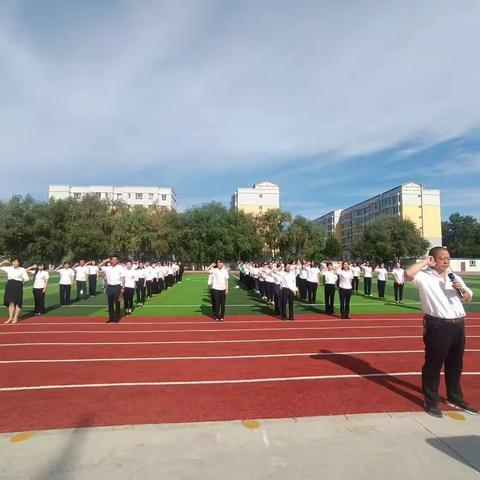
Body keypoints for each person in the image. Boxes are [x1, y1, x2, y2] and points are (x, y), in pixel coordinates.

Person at [405, 246, 477, 418]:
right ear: (433, 260)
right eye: (442, 257)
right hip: (437, 325)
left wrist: (462, 292)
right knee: (433, 364)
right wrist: (424, 262)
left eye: (448, 258)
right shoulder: (424, 277)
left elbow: (468, 298)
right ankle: (431, 401)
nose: (446, 260)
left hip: (458, 324)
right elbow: (407, 275)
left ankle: (455, 397)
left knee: (455, 364)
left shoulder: (455, 277)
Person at [0, 259, 29, 324]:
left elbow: (26, 279)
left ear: (19, 263)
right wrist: (3, 262)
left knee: (18, 302)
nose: (14, 263)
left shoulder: (22, 269)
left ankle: (15, 318)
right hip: (9, 285)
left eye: (16, 261)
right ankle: (10, 318)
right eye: (13, 261)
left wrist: (21, 284)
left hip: (18, 285)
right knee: (11, 302)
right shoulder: (9, 268)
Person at [99, 256, 124, 323]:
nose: (113, 261)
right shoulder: (107, 268)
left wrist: (123, 288)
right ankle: (111, 317)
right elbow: (98, 266)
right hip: (110, 287)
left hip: (117, 287)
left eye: (115, 260)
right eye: (112, 260)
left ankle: (117, 317)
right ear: (111, 261)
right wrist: (105, 261)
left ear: (117, 261)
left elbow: (123, 278)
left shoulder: (120, 268)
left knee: (117, 302)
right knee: (110, 303)